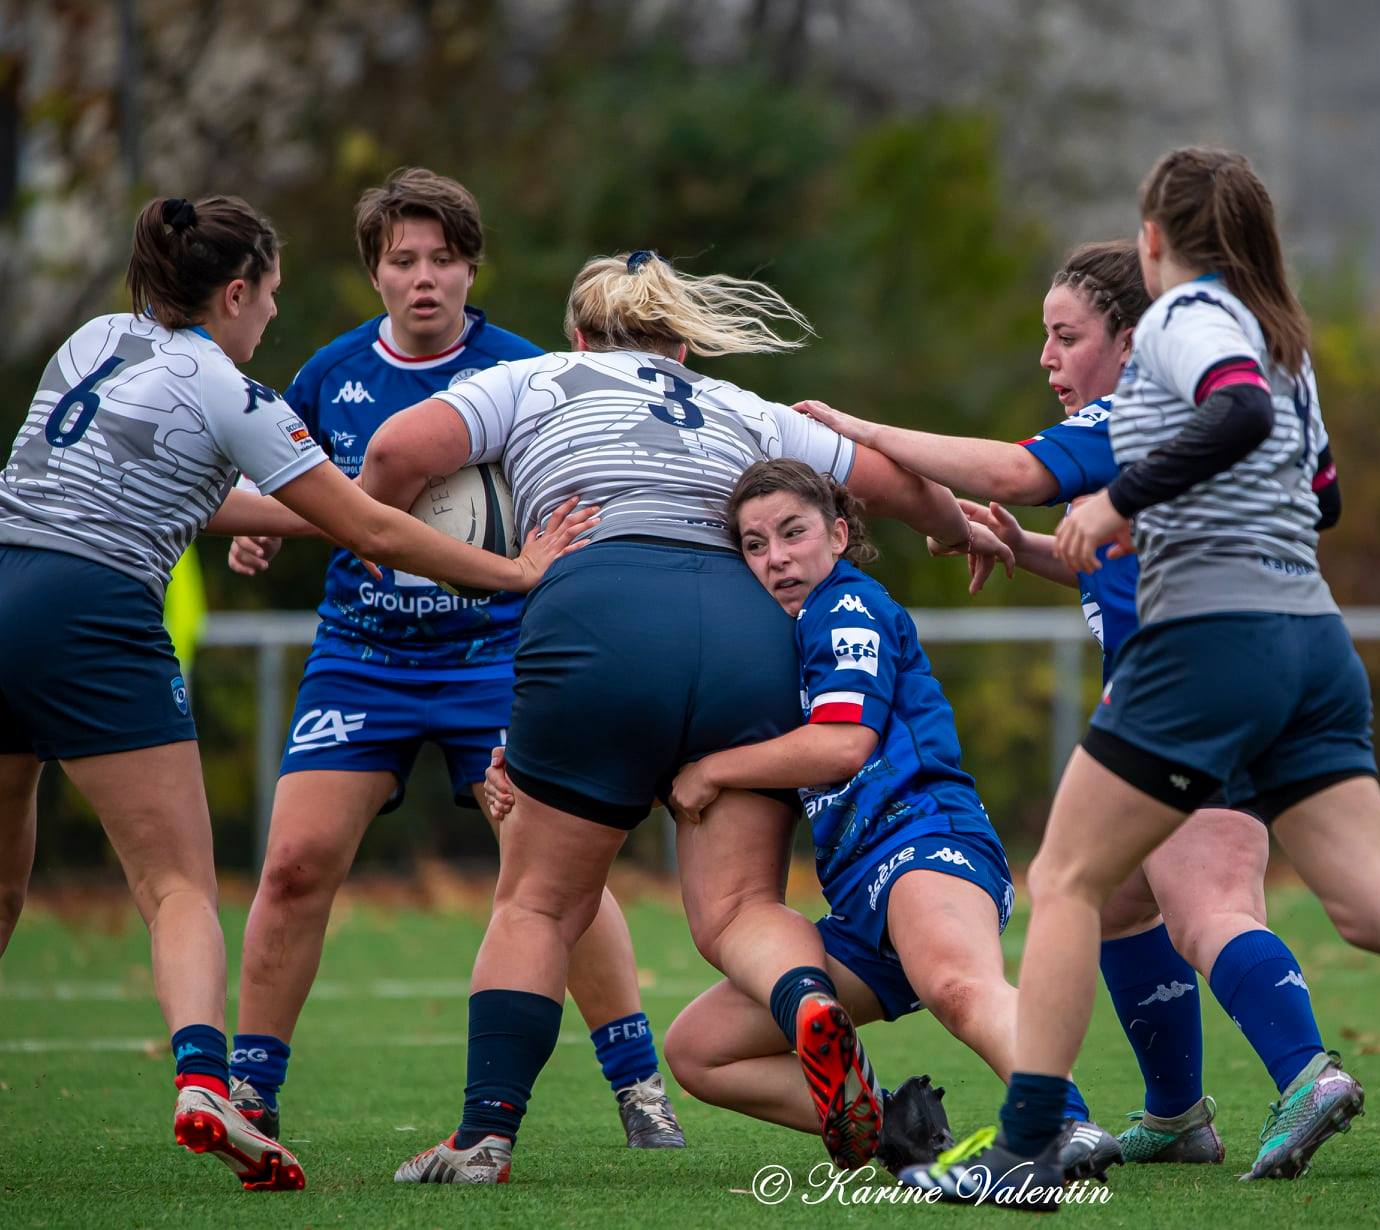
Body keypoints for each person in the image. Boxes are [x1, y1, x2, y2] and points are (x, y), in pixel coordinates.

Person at [897, 147, 1380, 1221]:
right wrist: (1142, 511)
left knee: (1063, 883)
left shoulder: (1187, 321)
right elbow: (1321, 495)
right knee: (1378, 902)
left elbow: (1231, 416)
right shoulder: (1284, 338)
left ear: (1155, 241)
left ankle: (1021, 1151)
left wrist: (1119, 497)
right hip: (1309, 641)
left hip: (1211, 648)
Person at [360, 250, 1011, 1184]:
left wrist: (386, 542)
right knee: (742, 907)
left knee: (542, 901)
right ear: (682, 345)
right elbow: (888, 480)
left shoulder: (533, 376)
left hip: (601, 610)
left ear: (580, 336)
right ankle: (805, 1006)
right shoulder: (746, 410)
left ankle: (484, 1139)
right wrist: (954, 531)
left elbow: (391, 455)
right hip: (749, 638)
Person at [0, 196, 591, 1191]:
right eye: (268, 296)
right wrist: (516, 573)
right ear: (234, 293)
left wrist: (305, 515)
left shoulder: (98, 338)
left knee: (4, 885)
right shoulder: (232, 390)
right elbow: (381, 532)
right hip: (91, 614)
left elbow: (199, 489)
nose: (272, 316)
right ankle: (205, 1081)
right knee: (177, 887)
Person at [795, 239, 1354, 1176]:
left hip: (1187, 700)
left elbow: (1004, 468)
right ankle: (1178, 1117)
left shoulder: (1139, 418)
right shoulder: (1165, 429)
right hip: (1227, 682)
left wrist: (860, 434)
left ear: (1131, 341)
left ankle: (1309, 1076)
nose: (1047, 360)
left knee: (1203, 905)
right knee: (1123, 904)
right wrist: (1036, 552)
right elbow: (1124, 563)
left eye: (1065, 337)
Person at [221, 169, 681, 1150]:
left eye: (443, 259)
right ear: (374, 273)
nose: (424, 278)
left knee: (553, 871)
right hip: (363, 654)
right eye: (402, 261)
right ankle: (248, 1098)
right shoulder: (333, 375)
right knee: (296, 864)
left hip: (500, 660)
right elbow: (312, 489)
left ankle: (639, 1086)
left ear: (473, 267)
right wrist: (261, 532)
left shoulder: (526, 372)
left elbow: (586, 491)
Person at [639, 459, 1116, 1181]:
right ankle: (905, 1131)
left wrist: (712, 771)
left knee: (956, 983)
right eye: (755, 545)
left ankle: (1065, 1121)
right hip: (861, 899)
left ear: (837, 534)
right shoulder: (787, 635)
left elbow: (842, 744)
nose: (777, 558)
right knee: (700, 1049)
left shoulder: (846, 607)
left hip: (925, 839)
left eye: (793, 533)